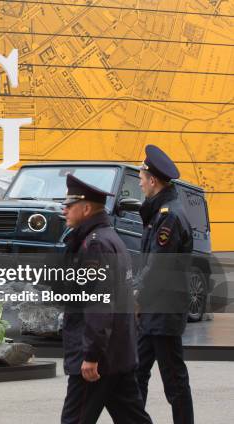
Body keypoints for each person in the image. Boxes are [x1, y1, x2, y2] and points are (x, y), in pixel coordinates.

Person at [59, 174, 152, 424]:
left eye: (70, 204)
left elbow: (99, 305)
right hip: (117, 354)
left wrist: (91, 355)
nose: (64, 209)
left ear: (86, 208)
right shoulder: (108, 238)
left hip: (98, 361)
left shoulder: (95, 245)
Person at [134, 145, 194, 424]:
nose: (140, 183)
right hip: (153, 309)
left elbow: (158, 265)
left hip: (164, 309)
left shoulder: (169, 215)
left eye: (142, 178)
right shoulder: (160, 212)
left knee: (174, 380)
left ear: (153, 181)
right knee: (136, 372)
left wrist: (136, 294)